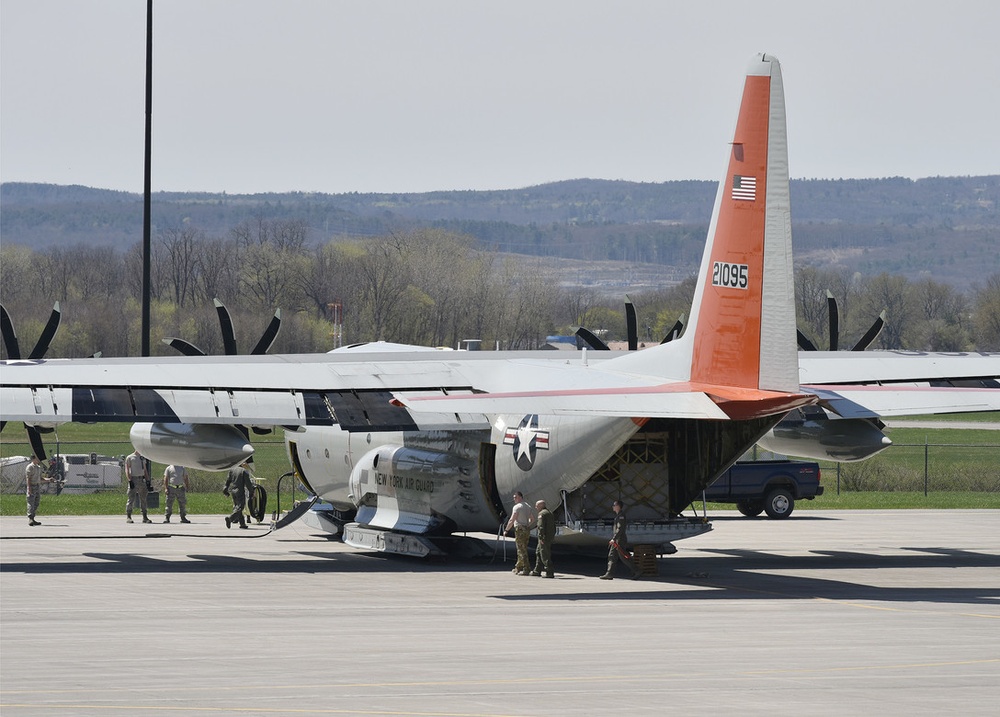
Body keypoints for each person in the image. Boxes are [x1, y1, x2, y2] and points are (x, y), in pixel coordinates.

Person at [600, 499, 640, 580]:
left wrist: (614, 539)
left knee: (623, 557)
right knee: (611, 556)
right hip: (617, 540)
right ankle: (609, 574)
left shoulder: (621, 516)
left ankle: (637, 570)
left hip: (619, 540)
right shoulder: (618, 515)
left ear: (618, 506)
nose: (613, 507)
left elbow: (620, 529)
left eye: (614, 505)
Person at [503, 491, 536, 575]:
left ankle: (526, 568)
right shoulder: (528, 506)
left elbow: (512, 519)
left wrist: (506, 530)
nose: (514, 499)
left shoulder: (517, 507)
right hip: (526, 529)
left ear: (520, 497)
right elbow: (532, 519)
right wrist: (527, 525)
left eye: (515, 497)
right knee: (523, 548)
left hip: (519, 529)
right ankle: (517, 568)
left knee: (521, 549)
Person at [124, 448, 152, 524]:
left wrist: (148, 481)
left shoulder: (142, 458)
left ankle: (145, 517)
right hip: (134, 478)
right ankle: (128, 516)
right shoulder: (130, 457)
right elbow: (127, 469)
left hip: (141, 479)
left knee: (143, 499)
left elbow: (145, 470)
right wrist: (130, 480)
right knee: (131, 499)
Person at [224, 459, 253, 529]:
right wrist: (252, 492)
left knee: (237, 506)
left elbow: (228, 481)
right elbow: (248, 484)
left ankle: (242, 523)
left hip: (233, 491)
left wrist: (225, 489)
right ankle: (230, 518)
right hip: (240, 491)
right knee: (240, 507)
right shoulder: (244, 471)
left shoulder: (232, 470)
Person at [530, 499, 555, 578]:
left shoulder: (542, 514)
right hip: (549, 536)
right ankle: (537, 570)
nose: (535, 507)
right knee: (538, 552)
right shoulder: (549, 513)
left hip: (543, 538)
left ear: (541, 506)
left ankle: (549, 572)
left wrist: (541, 538)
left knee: (544, 554)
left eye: (537, 506)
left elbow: (540, 527)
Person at [25, 455, 51, 526]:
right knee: (31, 502)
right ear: (33, 459)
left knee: (36, 502)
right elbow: (28, 478)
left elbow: (40, 478)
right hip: (32, 486)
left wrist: (49, 480)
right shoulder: (30, 467)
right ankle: (30, 518)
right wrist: (29, 488)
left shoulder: (38, 468)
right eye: (37, 458)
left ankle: (33, 518)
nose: (39, 460)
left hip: (37, 486)